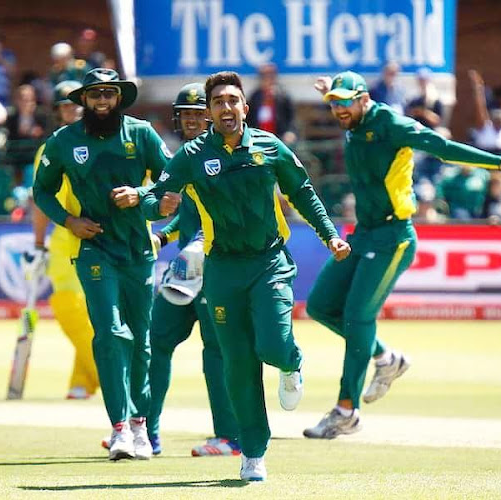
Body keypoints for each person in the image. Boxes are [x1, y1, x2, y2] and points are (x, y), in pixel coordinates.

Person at [137, 71, 350, 481]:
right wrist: (156, 207)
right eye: (219, 103)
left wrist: (330, 236)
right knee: (237, 365)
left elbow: (302, 192)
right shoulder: (192, 155)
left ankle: (291, 362)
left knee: (272, 345)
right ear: (210, 112)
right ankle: (253, 453)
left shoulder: (269, 147)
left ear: (245, 108)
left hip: (269, 262)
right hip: (222, 271)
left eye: (233, 101)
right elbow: (152, 198)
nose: (227, 108)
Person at [305, 71, 501, 440]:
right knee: (319, 306)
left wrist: (499, 162)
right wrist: (332, 94)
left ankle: (346, 410)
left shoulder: (391, 124)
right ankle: (386, 359)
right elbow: (344, 107)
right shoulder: (350, 116)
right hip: (362, 233)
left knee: (356, 317)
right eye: (333, 103)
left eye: (345, 101)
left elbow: (440, 146)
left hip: (393, 236)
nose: (338, 109)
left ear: (364, 98)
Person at [32, 68, 173, 461]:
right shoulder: (64, 141)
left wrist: (142, 195)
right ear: (84, 100)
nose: (102, 100)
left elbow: (170, 179)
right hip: (94, 247)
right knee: (110, 334)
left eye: (109, 94)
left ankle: (141, 425)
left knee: (141, 339)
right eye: (95, 94)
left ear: (119, 98)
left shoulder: (141, 134)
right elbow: (41, 191)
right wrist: (69, 221)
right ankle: (119, 429)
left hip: (137, 250)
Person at [146, 82, 239, 458]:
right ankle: (146, 431)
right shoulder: (184, 156)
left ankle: (230, 437)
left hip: (217, 265)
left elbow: (220, 216)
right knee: (157, 341)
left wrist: (197, 244)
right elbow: (182, 217)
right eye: (185, 114)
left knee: (217, 351)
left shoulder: (226, 155)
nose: (191, 120)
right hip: (187, 267)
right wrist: (162, 239)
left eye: (198, 114)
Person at [26, 79, 99, 400]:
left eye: (75, 105)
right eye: (64, 106)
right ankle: (108, 370)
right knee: (68, 306)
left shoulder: (101, 140)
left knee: (95, 314)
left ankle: (82, 382)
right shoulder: (50, 147)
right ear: (57, 111)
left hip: (101, 237)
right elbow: (40, 199)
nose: (70, 111)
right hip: (65, 238)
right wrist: (39, 244)